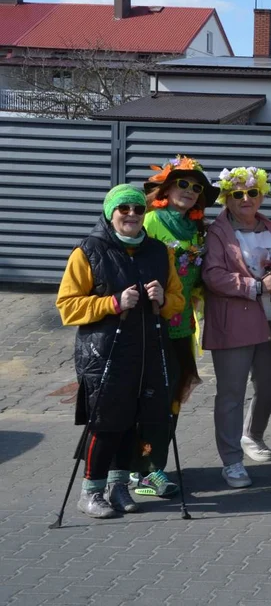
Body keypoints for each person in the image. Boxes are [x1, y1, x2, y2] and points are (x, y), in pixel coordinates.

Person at [56, 184, 183, 518]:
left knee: (134, 420)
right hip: (104, 354)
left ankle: (118, 487)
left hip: (148, 352)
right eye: (123, 209)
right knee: (105, 422)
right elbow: (67, 307)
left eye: (138, 209)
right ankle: (91, 492)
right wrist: (112, 303)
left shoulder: (159, 252)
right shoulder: (88, 251)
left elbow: (178, 302)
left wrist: (163, 299)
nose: (131, 215)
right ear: (110, 212)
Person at [130, 155, 218, 499]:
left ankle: (156, 465)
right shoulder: (150, 221)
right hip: (151, 325)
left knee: (172, 397)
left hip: (182, 326)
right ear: (166, 187)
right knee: (151, 397)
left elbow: (195, 275)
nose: (190, 191)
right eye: (183, 183)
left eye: (196, 187)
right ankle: (142, 471)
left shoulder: (196, 228)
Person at [203, 166, 271, 489]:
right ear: (227, 198)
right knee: (231, 393)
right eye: (237, 194)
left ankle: (252, 435)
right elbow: (212, 275)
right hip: (234, 323)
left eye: (252, 193)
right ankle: (232, 461)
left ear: (261, 195)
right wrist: (255, 286)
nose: (246, 199)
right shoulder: (218, 233)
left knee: (269, 385)